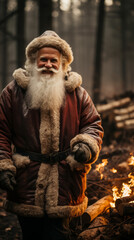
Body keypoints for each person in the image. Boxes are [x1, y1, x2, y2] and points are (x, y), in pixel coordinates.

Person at [0, 30, 104, 240]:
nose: (48, 64)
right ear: (33, 61)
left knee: (58, 235)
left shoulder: (78, 94)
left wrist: (86, 145)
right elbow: (1, 132)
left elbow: (93, 125)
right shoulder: (12, 92)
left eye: (53, 61)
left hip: (66, 181)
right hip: (26, 182)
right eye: (43, 60)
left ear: (63, 63)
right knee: (30, 234)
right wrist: (3, 165)